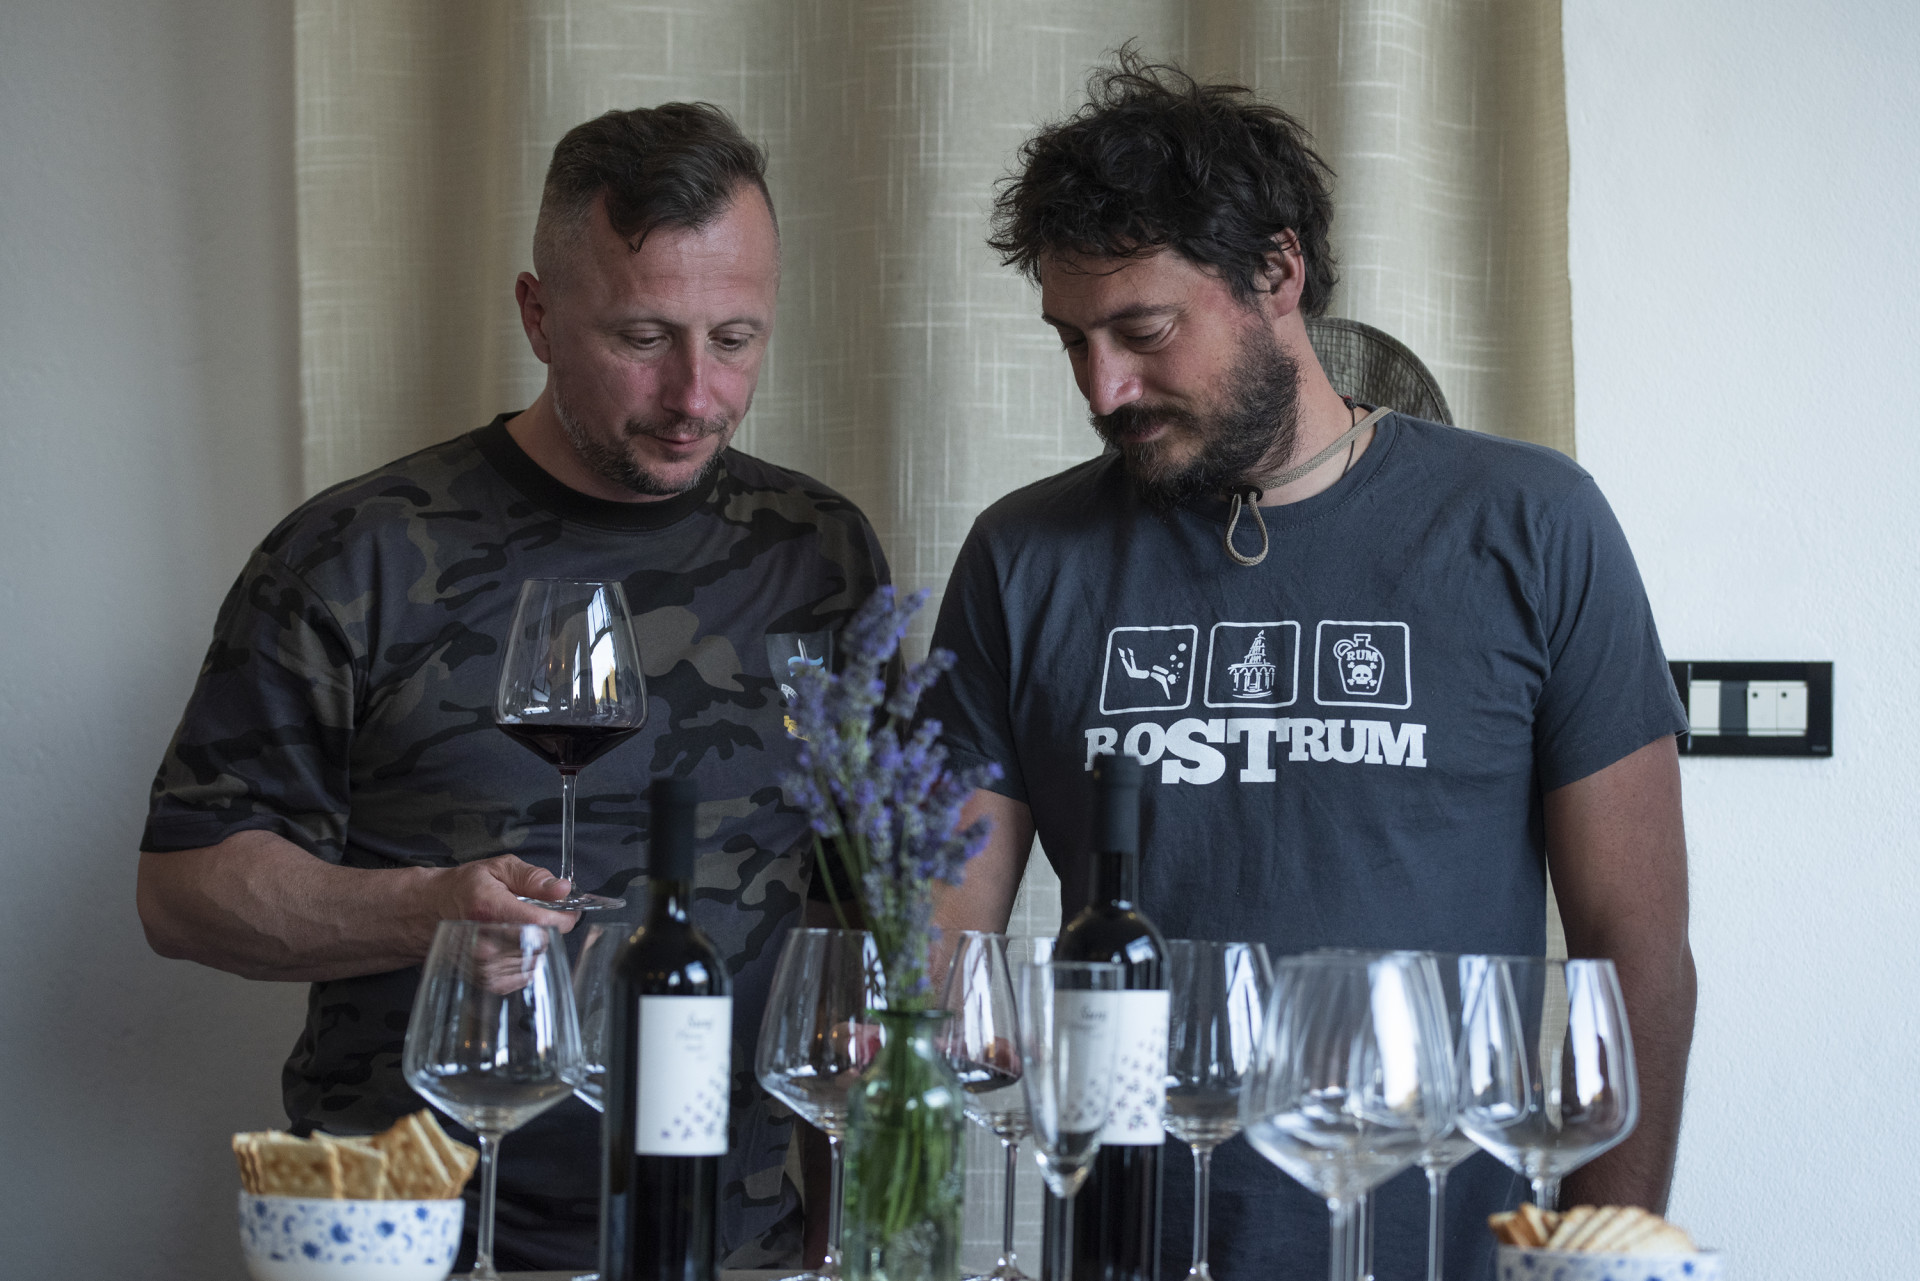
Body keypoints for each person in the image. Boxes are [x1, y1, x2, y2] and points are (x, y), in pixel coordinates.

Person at [921, 54, 1696, 1281]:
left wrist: (1602, 1259)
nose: (1103, 387)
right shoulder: (1022, 557)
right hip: (1124, 1250)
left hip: (1442, 1249)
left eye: (1143, 331)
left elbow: (1635, 945)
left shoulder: (1533, 523)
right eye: (1074, 341)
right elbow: (944, 937)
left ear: (1276, 273)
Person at [137, 103, 886, 1272]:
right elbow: (182, 892)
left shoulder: (820, 554)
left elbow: (856, 918)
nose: (697, 393)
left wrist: (848, 1236)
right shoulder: (358, 554)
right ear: (538, 314)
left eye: (736, 338)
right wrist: (422, 910)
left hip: (736, 1245)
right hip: (412, 1240)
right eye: (643, 337)